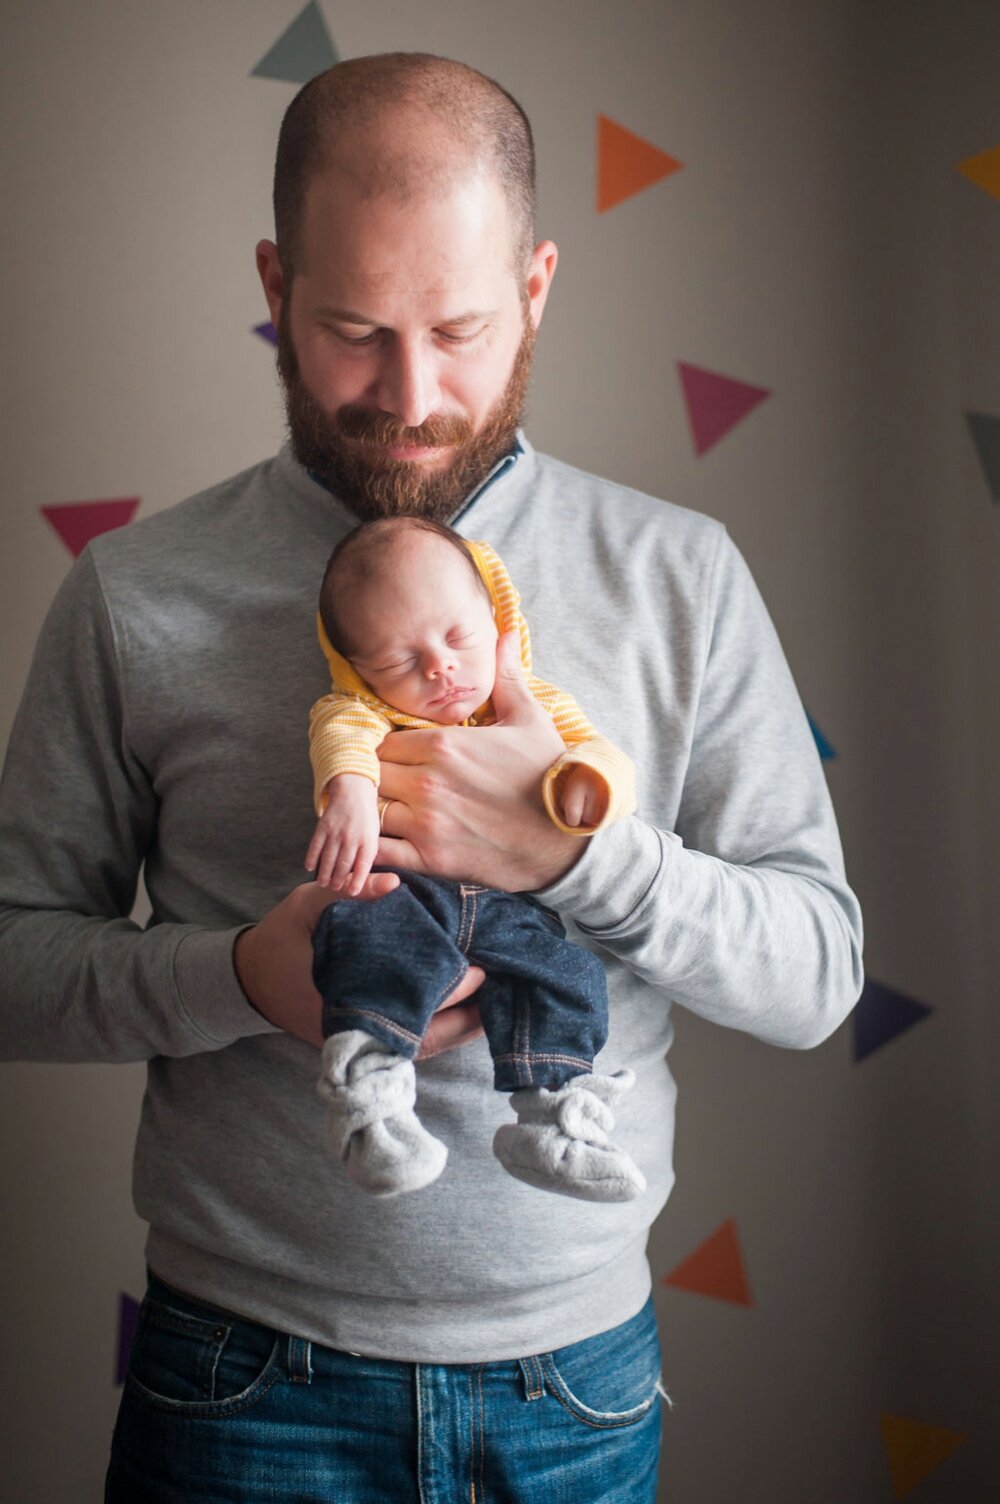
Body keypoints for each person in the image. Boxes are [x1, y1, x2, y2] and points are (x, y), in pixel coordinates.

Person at [0, 52, 863, 1503]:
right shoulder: (131, 595)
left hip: (575, 1386)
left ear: (536, 284)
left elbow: (818, 970)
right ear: (274, 284)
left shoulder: (681, 577)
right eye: (352, 330)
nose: (409, 396)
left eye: (459, 329)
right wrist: (244, 981)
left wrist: (581, 860)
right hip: (240, 1379)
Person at [307, 515, 645, 1202]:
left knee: (564, 974)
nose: (440, 667)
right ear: (361, 671)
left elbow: (597, 751)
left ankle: (556, 1120)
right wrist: (347, 791)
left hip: (509, 905)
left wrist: (591, 781)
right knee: (369, 947)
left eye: (459, 636)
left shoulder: (531, 706)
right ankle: (373, 1108)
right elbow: (340, 734)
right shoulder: (367, 713)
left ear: (497, 620)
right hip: (404, 897)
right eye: (401, 661)